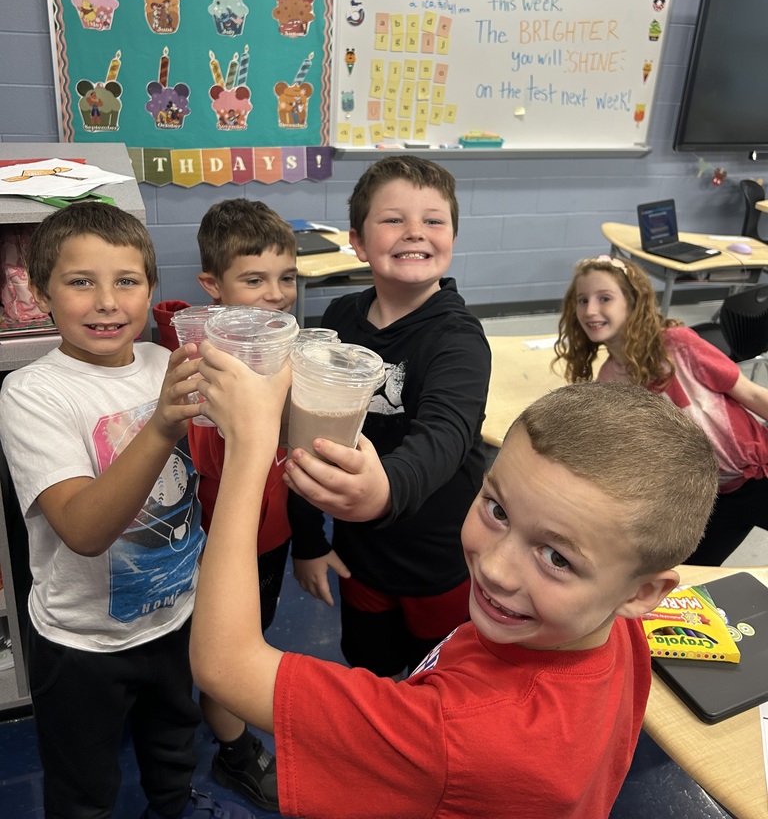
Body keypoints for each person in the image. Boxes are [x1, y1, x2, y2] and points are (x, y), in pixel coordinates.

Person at [189, 352, 719, 819]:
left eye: (557, 557)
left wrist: (249, 449)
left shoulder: (454, 735)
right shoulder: (609, 620)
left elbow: (223, 664)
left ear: (641, 593)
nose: (495, 568)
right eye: (497, 509)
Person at [0, 202, 253, 819]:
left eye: (127, 281)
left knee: (172, 745)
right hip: (83, 641)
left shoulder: (162, 362)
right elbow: (84, 530)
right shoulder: (34, 394)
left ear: (150, 288)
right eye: (81, 282)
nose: (107, 302)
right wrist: (163, 425)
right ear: (40, 292)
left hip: (176, 617)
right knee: (84, 784)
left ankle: (174, 804)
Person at [287, 156, 492, 677]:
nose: (415, 232)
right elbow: (306, 438)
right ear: (357, 242)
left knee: (439, 682)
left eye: (433, 220)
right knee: (370, 667)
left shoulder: (458, 340)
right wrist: (310, 541)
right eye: (394, 219)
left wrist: (386, 490)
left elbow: (445, 435)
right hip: (363, 557)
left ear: (452, 236)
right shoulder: (338, 319)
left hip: (440, 562)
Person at [156, 199, 298, 812]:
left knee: (252, 632)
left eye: (287, 277)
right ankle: (235, 753)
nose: (276, 295)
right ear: (213, 287)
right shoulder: (200, 367)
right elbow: (210, 464)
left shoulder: (282, 351)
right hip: (216, 542)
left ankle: (227, 731)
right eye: (254, 280)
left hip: (272, 534)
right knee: (220, 649)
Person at [554, 253, 768, 565]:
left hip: (759, 474)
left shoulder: (678, 344)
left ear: (632, 302)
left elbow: (750, 393)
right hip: (707, 500)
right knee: (686, 580)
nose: (591, 310)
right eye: (582, 300)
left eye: (605, 298)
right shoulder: (609, 380)